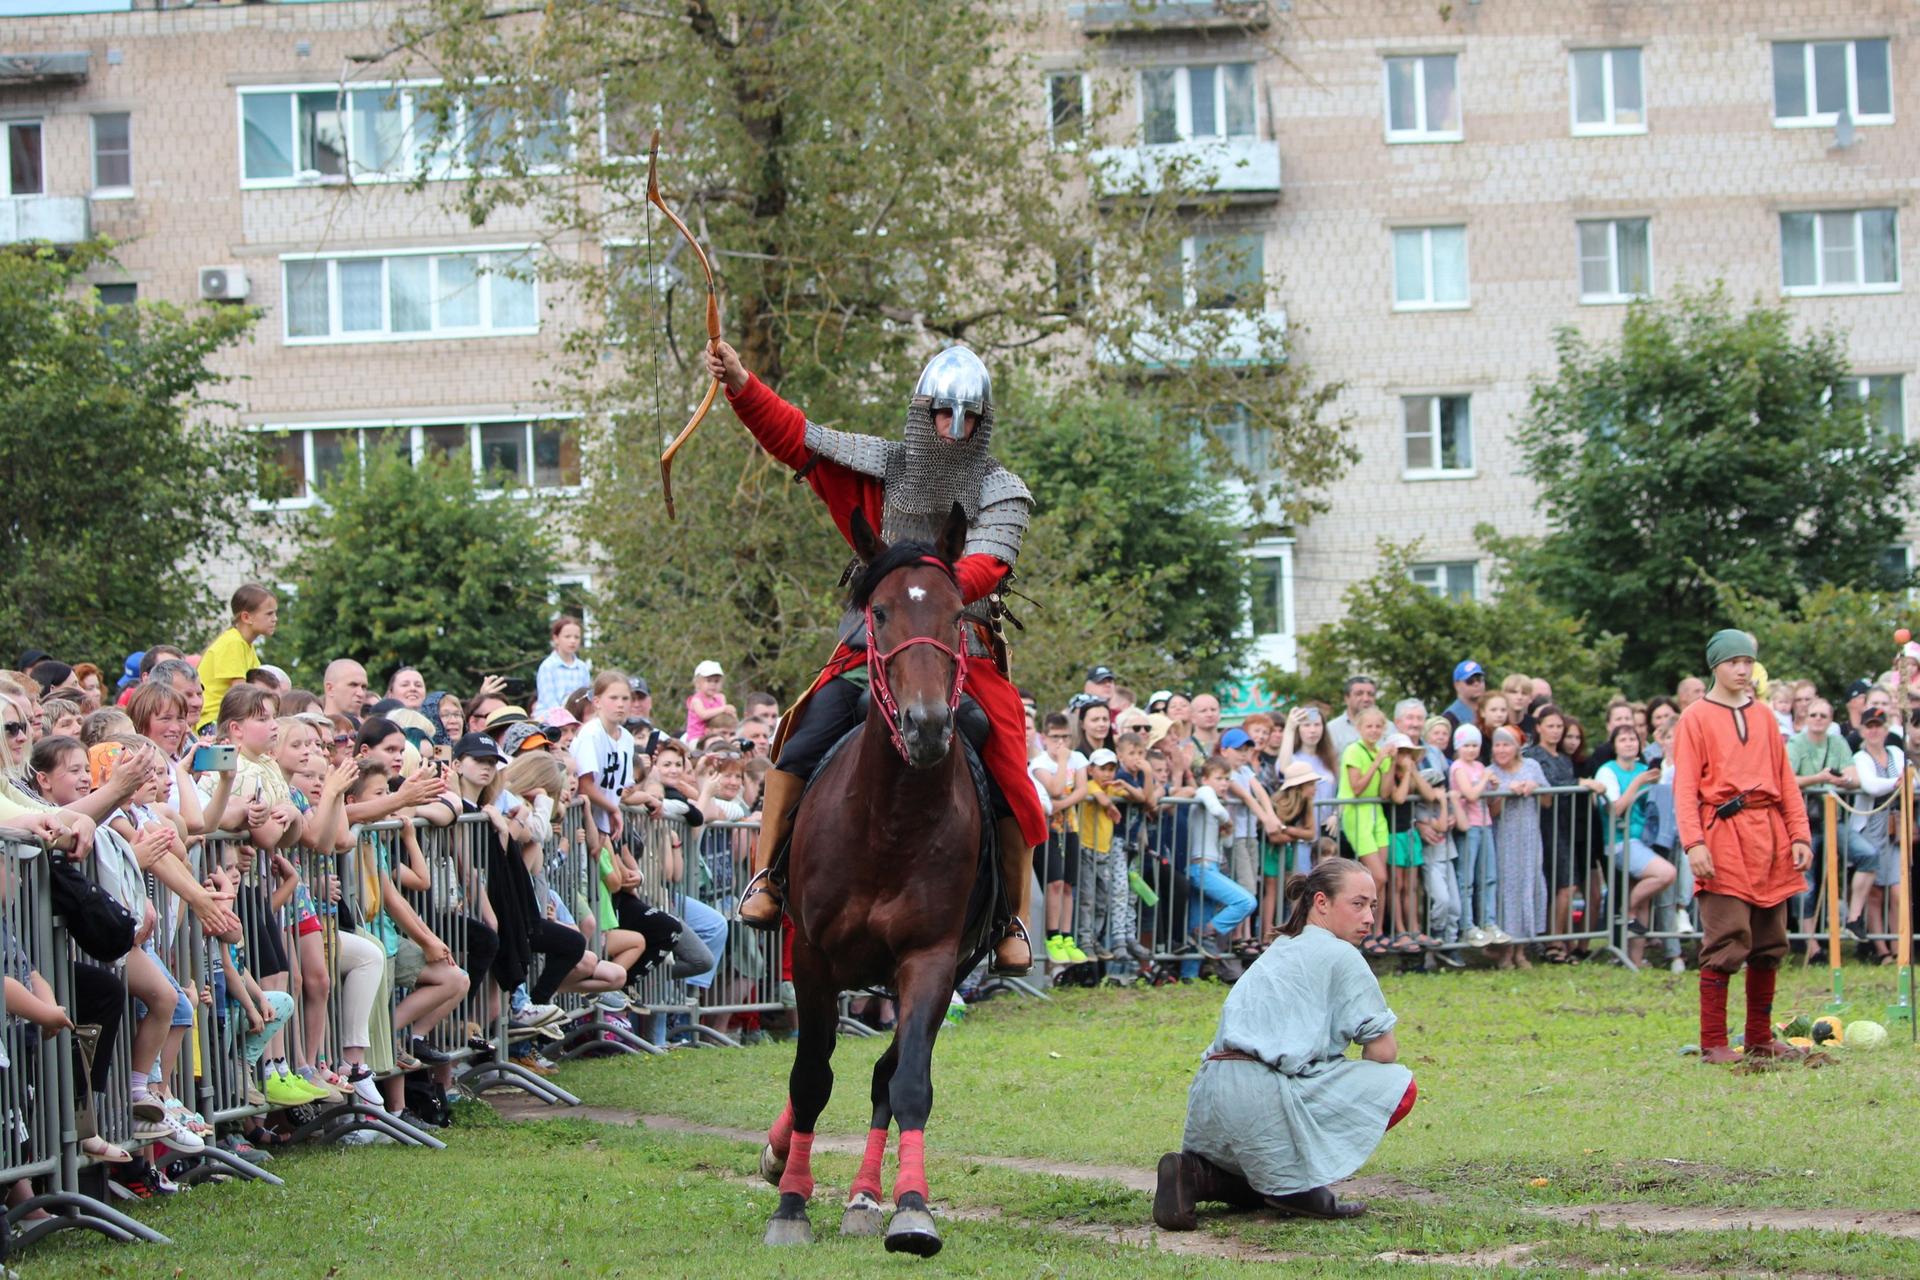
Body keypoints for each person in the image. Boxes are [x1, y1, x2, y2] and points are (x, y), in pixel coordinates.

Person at [707, 338, 1043, 974]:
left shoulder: (1001, 491)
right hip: (874, 643)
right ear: (924, 413)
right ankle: (768, 877)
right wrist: (742, 383)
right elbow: (795, 436)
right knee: (805, 732)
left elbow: (988, 565)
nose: (956, 427)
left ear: (983, 422)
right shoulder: (882, 465)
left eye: (970, 417)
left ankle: (1010, 916)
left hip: (960, 648)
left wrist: (926, 588)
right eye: (945, 413)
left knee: (1006, 764)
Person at [1155, 857, 1416, 1230]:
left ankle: (1194, 1175)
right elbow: (1383, 1051)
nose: (1370, 918)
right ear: (1321, 903)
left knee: (1259, 1181)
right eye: (1357, 904)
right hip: (1264, 1099)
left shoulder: (1277, 949)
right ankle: (1303, 1180)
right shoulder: (1342, 955)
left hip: (1209, 1097)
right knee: (1401, 1086)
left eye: (1372, 906)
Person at [1672, 630, 1813, 1065]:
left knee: (1770, 940)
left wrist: (1799, 834)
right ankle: (1714, 1041)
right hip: (1723, 836)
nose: (1742, 669)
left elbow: (1785, 781)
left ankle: (1758, 1038)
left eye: (1748, 662)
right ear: (1715, 665)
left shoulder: (1767, 717)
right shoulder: (1695, 717)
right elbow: (1684, 788)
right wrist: (1694, 842)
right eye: (1733, 661)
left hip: (1769, 836)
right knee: (1728, 936)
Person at [1786, 698, 1858, 963]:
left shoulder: (1837, 743)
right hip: (1803, 823)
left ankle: (1853, 920)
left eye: (1823, 715)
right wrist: (1820, 779)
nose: (1817, 719)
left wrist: (1843, 780)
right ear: (1806, 718)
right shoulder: (1795, 744)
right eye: (1813, 714)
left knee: (1866, 854)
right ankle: (1810, 943)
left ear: (1830, 720)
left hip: (1833, 821)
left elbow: (1855, 778)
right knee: (1806, 883)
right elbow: (1787, 780)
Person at [1844, 706, 1902, 963]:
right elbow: (1870, 785)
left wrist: (1901, 782)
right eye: (1870, 725)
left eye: (1878, 725)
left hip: (1895, 823)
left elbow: (1913, 779)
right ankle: (1882, 950)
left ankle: (1901, 947)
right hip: (1870, 824)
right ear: (1863, 730)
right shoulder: (1860, 758)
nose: (1874, 730)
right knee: (1875, 892)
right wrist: (1897, 783)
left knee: (1898, 890)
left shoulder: (1896, 752)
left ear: (1886, 728)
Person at [196, 584, 278, 731]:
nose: (275, 619)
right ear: (246, 617)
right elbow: (241, 695)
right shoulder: (233, 643)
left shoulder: (246, 645)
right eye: (269, 614)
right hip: (214, 722)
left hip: (227, 720)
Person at [535, 615, 592, 716]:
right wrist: (564, 717)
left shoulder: (582, 668)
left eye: (576, 637)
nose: (572, 641)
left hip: (576, 718)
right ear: (556, 638)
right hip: (549, 719)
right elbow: (549, 702)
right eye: (567, 636)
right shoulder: (548, 667)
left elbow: (585, 697)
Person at [1325, 676, 1376, 758]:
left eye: (1370, 694)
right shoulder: (1331, 730)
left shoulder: (1389, 728)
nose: (1366, 699)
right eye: (1359, 694)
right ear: (1346, 699)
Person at [1442, 660, 1485, 736]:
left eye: (1479, 679)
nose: (1476, 684)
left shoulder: (1492, 710)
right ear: (1457, 685)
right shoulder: (1450, 717)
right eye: (1470, 681)